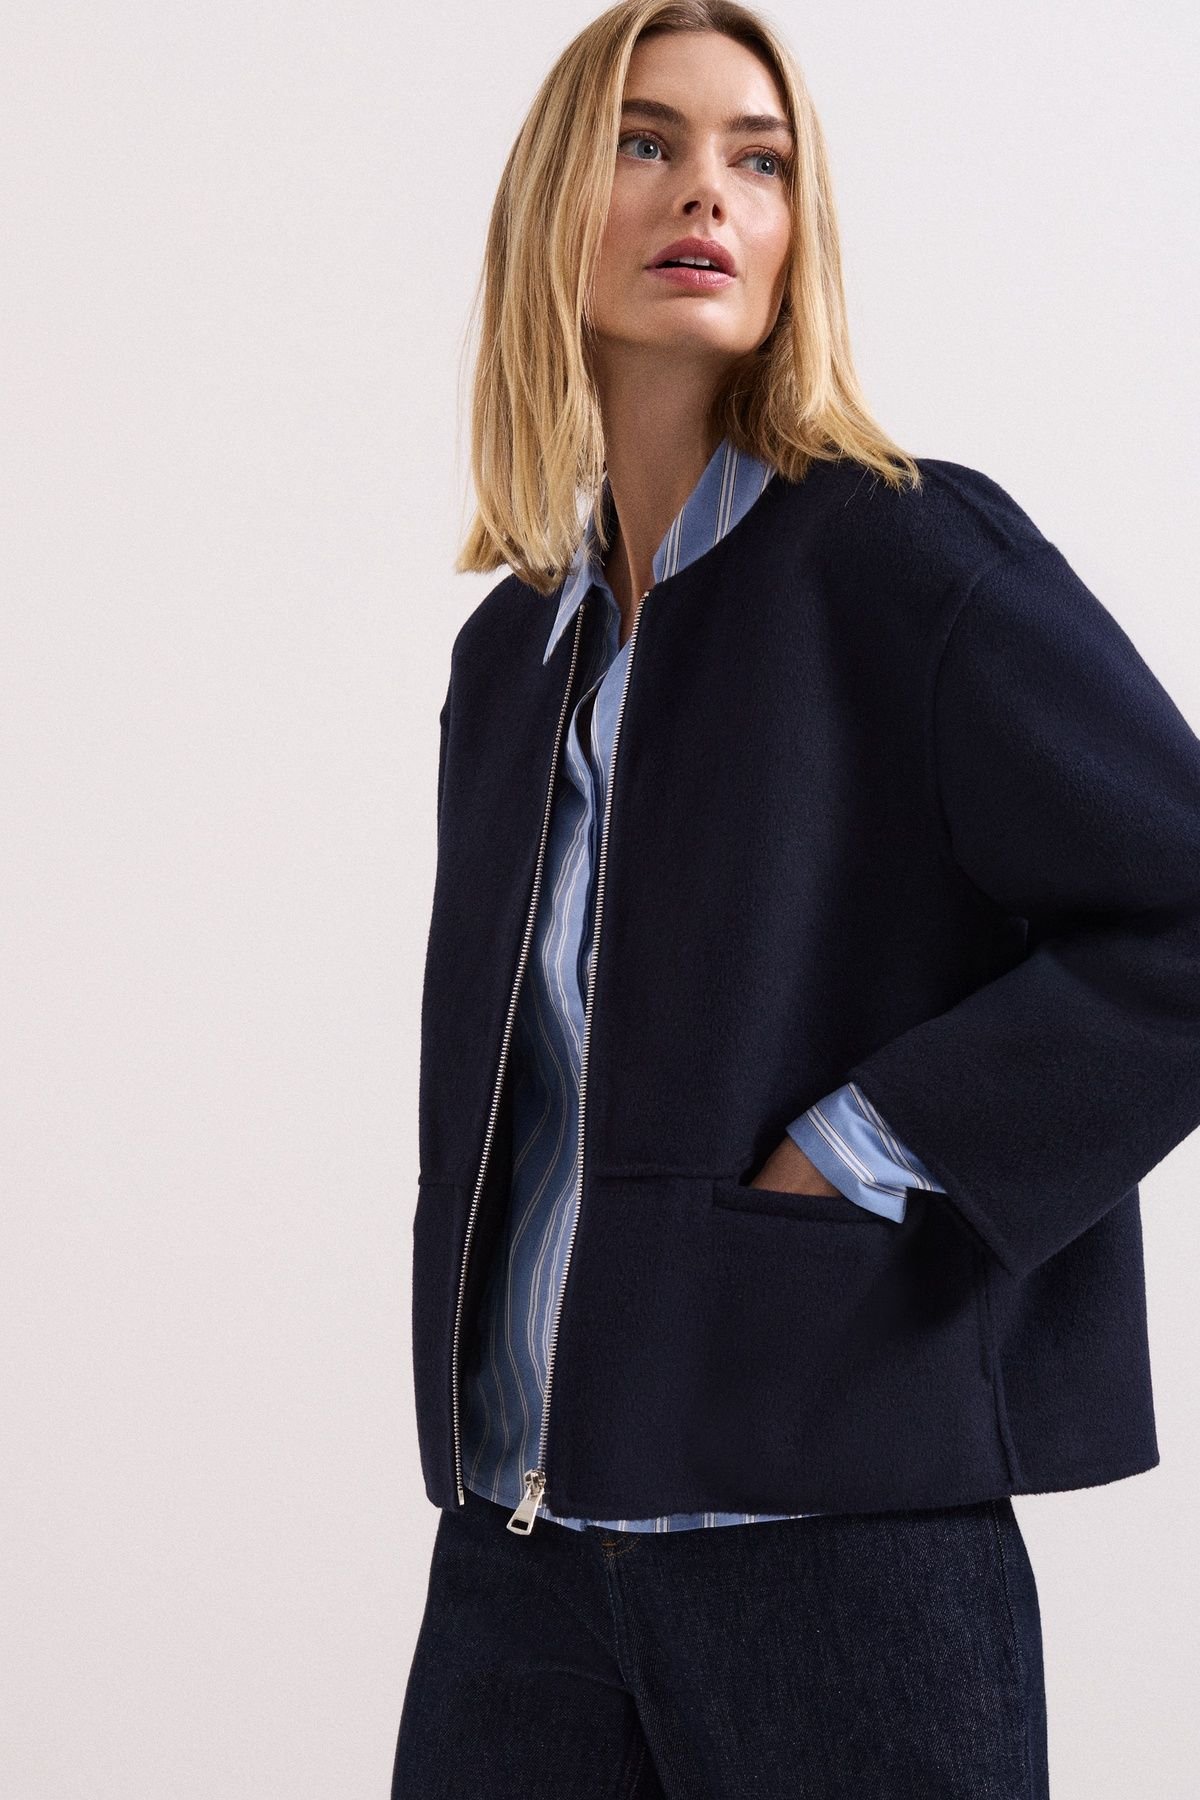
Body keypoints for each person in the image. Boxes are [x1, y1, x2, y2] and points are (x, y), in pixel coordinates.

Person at [393, 3, 1200, 1795]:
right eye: (648, 142)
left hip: (836, 1546)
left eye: (758, 161)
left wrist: (863, 1144)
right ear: (550, 202)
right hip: (520, 1557)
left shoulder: (908, 556)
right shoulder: (514, 654)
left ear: (793, 231)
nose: (708, 192)